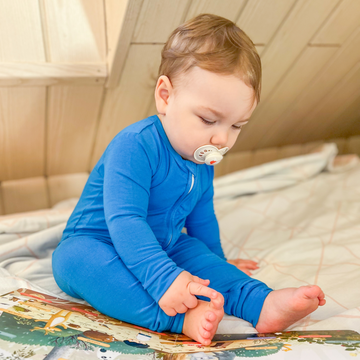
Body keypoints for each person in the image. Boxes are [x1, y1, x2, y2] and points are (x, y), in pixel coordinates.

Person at [52, 14, 326, 345]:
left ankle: (260, 303)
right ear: (165, 96)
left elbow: (202, 218)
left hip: (163, 245)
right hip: (99, 241)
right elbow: (125, 221)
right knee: (79, 262)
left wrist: (217, 261)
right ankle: (177, 318)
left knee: (198, 255)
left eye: (237, 125)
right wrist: (165, 278)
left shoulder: (202, 158)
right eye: (209, 119)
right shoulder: (135, 144)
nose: (223, 138)